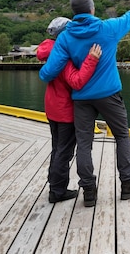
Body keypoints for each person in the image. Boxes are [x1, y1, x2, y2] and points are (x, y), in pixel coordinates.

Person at [39, 0, 130, 207]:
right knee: (121, 136)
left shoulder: (65, 37)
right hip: (109, 95)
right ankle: (128, 184)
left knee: (83, 144)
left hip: (81, 99)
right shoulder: (108, 28)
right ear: (92, 9)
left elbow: (47, 73)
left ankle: (89, 192)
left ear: (74, 12)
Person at [36, 17, 102, 203]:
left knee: (57, 148)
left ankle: (55, 185)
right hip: (64, 110)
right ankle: (57, 191)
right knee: (64, 152)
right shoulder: (63, 56)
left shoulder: (50, 51)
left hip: (52, 107)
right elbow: (77, 81)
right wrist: (91, 59)